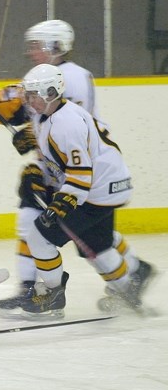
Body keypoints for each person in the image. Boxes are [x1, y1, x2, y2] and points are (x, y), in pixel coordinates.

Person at [0, 20, 151, 310]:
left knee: (57, 232)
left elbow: (69, 134)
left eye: (37, 45)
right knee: (90, 238)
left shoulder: (73, 80)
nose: (31, 52)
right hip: (83, 174)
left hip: (86, 178)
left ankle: (51, 291)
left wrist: (33, 139)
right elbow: (24, 103)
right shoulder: (46, 79)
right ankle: (122, 284)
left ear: (56, 46)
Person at [13, 64, 153, 318]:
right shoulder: (47, 115)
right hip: (109, 186)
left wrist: (59, 205)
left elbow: (80, 175)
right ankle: (127, 292)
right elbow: (62, 158)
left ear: (51, 92)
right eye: (28, 94)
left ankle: (53, 295)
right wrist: (36, 149)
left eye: (33, 94)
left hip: (95, 191)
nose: (28, 99)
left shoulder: (67, 124)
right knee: (96, 245)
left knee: (39, 236)